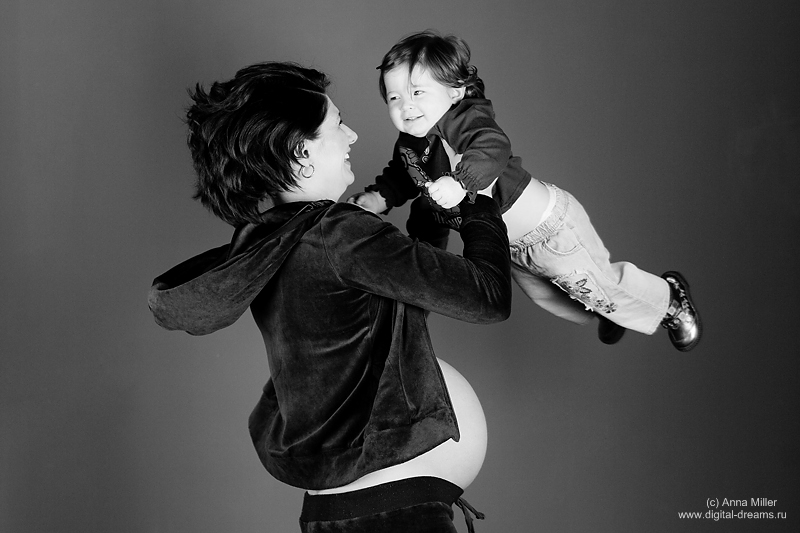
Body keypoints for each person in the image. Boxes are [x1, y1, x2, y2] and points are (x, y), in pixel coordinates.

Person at [148, 61, 512, 532]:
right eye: (338, 124)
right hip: (391, 513)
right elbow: (487, 297)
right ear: (302, 151)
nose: (354, 135)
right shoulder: (339, 234)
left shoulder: (273, 239)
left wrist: (430, 213)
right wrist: (482, 205)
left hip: (348, 510)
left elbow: (401, 306)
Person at [349, 30, 702, 352]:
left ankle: (671, 301)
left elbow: (492, 146)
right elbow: (402, 176)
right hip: (513, 247)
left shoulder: (465, 119)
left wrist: (460, 182)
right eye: (393, 97)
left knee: (599, 285)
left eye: (417, 92)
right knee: (551, 298)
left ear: (453, 91)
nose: (405, 106)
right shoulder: (410, 144)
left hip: (550, 230)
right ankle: (608, 309)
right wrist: (378, 197)